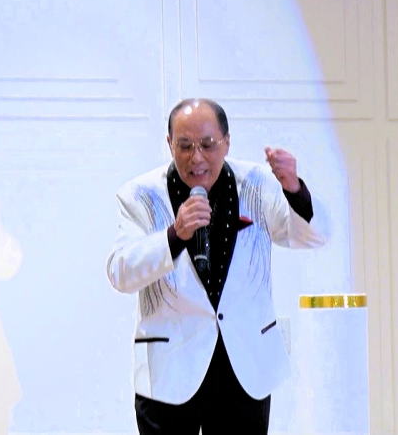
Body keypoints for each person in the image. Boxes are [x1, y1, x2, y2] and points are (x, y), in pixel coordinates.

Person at [106, 98, 327, 434]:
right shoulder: (139, 195)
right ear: (169, 143)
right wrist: (174, 236)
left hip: (244, 366)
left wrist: (294, 189)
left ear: (226, 141)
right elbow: (121, 273)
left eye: (207, 145)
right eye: (185, 146)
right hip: (170, 370)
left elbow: (311, 237)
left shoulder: (257, 183)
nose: (196, 157)